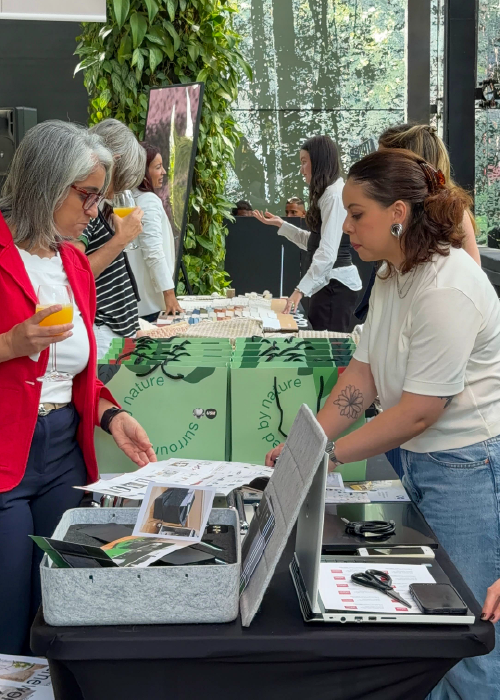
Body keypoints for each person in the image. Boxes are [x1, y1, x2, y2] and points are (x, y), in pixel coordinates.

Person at [266, 148, 500, 698]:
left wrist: (327, 457)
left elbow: (420, 410)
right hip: (424, 461)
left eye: (356, 214)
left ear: (398, 213)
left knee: (470, 626)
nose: (346, 227)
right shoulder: (394, 275)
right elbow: (361, 379)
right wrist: (307, 442)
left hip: (467, 465)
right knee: (433, 612)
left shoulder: (446, 286)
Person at [0, 121, 156, 655]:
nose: (95, 210)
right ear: (46, 183)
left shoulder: (74, 264)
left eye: (99, 196)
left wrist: (112, 415)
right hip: (7, 455)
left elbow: (74, 372)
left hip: (64, 454)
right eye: (87, 195)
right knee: (9, 614)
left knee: (62, 604)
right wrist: (10, 343)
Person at [253, 135, 362, 331]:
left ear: (319, 162)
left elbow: (327, 253)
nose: (301, 169)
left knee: (328, 346)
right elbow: (315, 243)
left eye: (304, 162)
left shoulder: (334, 196)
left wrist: (300, 290)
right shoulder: (329, 194)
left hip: (334, 286)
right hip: (328, 285)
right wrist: (281, 225)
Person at [73, 118, 146, 359]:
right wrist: (120, 240)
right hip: (103, 331)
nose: (121, 189)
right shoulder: (85, 209)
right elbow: (74, 271)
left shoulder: (94, 205)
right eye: (122, 179)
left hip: (115, 331)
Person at [379, 123, 481, 265]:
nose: (376, 171)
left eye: (382, 164)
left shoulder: (453, 212)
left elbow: (473, 272)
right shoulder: (391, 207)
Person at [129, 142, 183, 321]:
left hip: (135, 302)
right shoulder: (148, 200)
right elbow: (153, 251)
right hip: (151, 303)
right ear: (143, 171)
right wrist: (169, 294)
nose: (163, 172)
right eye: (158, 167)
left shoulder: (127, 198)